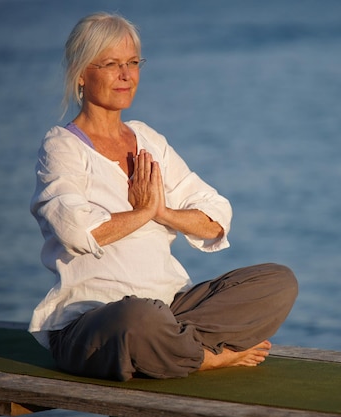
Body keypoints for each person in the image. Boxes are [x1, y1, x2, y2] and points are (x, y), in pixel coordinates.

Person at [28, 12, 298, 382]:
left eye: (133, 63)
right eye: (111, 64)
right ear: (80, 74)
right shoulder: (62, 146)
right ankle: (205, 357)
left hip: (170, 309)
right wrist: (143, 212)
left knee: (277, 282)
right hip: (95, 320)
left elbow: (216, 215)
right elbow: (77, 230)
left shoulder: (147, 140)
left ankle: (167, 348)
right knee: (138, 319)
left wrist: (163, 213)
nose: (126, 75)